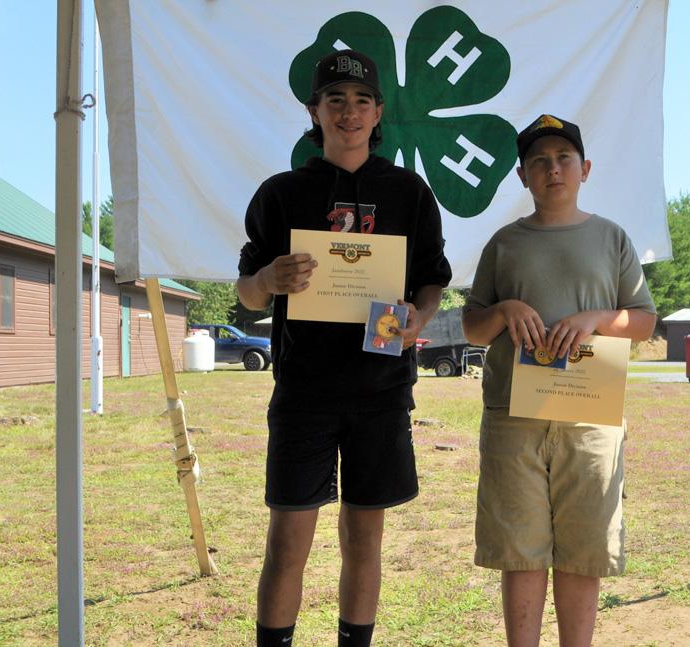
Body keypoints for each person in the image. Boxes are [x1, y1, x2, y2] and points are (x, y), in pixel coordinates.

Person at [236, 49, 452, 647]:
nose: (349, 112)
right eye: (335, 100)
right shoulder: (280, 193)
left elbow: (433, 277)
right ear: (314, 110)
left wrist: (419, 316)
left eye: (361, 101)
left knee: (364, 541)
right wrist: (268, 281)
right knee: (287, 544)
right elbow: (247, 292)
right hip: (304, 394)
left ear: (379, 111)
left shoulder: (409, 193)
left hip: (380, 393)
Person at [462, 114, 657, 647]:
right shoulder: (503, 244)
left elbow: (643, 321)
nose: (553, 169)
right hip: (513, 418)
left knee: (582, 550)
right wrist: (504, 308)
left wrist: (597, 318)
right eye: (539, 162)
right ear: (523, 176)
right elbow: (473, 327)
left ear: (585, 169)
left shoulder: (611, 238)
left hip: (591, 417)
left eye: (564, 159)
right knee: (519, 553)